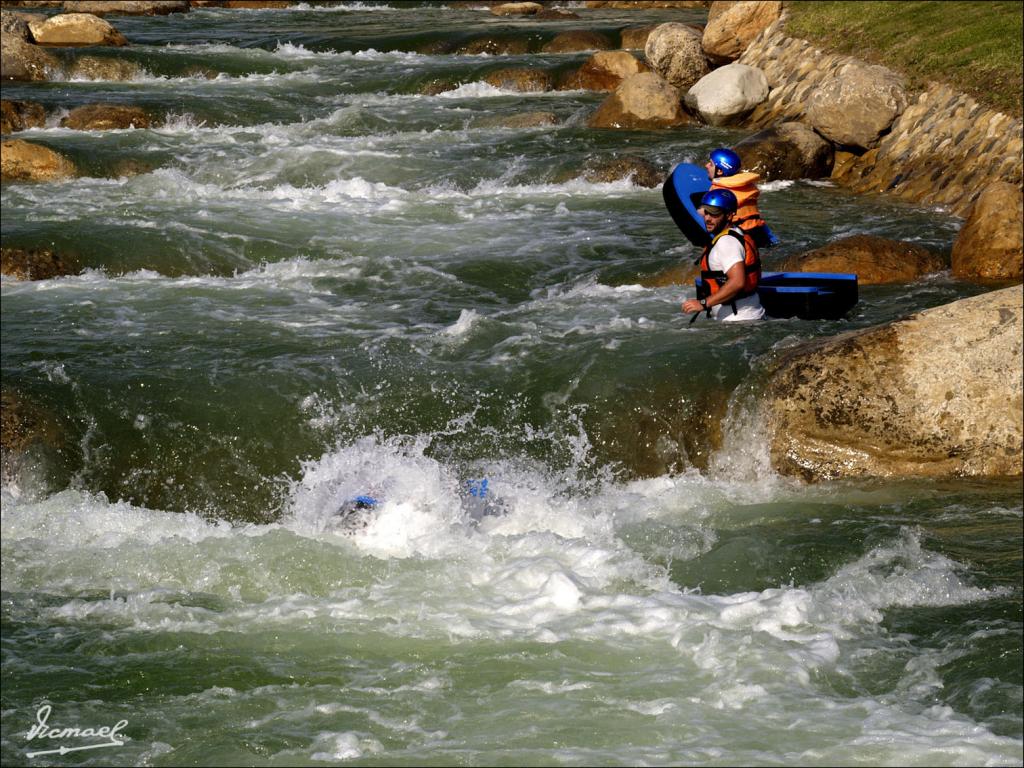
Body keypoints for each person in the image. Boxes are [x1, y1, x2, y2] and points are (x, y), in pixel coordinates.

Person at [681, 189, 765, 322]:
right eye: (706, 212)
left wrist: (703, 303)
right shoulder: (735, 232)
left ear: (729, 215)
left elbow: (737, 282)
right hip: (745, 315)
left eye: (714, 214)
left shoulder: (727, 242)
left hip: (738, 320)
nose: (708, 218)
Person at [705, 147, 776, 248]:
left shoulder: (718, 190)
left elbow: (712, 217)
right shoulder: (748, 185)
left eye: (711, 164)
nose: (706, 165)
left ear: (720, 171)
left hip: (738, 237)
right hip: (759, 233)